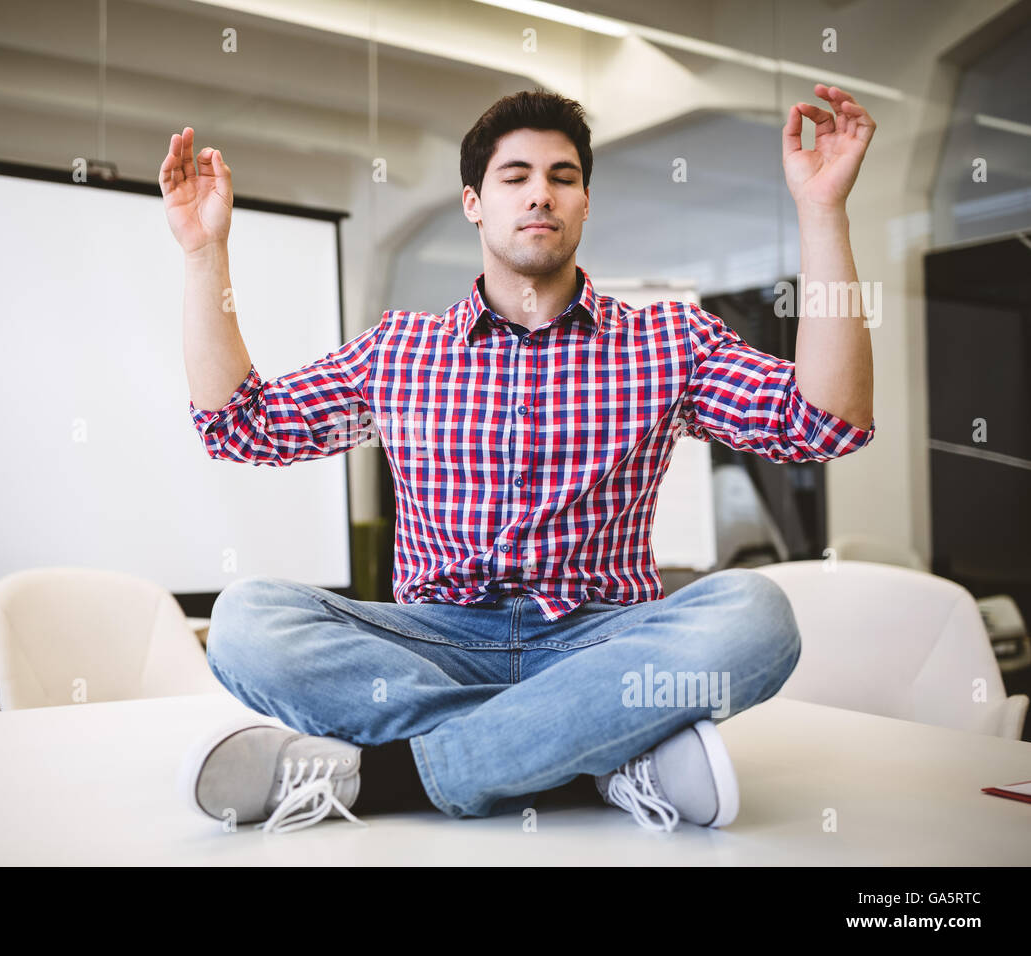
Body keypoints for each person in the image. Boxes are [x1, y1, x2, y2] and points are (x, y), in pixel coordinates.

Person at [160, 87, 876, 834]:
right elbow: (239, 427)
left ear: (586, 202)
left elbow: (827, 423)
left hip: (599, 639)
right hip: (436, 641)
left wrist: (824, 209)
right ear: (474, 202)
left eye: (562, 177)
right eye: (516, 176)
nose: (541, 193)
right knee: (247, 622)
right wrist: (205, 253)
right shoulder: (400, 349)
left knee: (756, 618)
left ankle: (391, 777)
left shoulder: (670, 341)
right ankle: (598, 755)